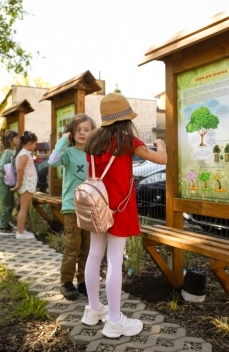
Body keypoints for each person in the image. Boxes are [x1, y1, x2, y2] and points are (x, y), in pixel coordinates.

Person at [81, 93, 167, 338]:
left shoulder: (93, 141)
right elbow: (162, 159)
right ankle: (115, 321)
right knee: (115, 260)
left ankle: (94, 310)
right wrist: (160, 143)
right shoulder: (127, 140)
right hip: (119, 207)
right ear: (125, 118)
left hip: (97, 204)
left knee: (94, 254)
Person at [48, 114, 96, 300]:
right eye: (78, 130)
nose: (82, 133)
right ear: (71, 133)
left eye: (87, 130)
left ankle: (83, 281)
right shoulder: (67, 153)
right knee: (73, 246)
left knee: (87, 247)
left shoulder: (95, 154)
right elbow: (52, 162)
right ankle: (66, 282)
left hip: (91, 208)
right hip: (72, 207)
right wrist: (62, 141)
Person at [11, 131, 38, 240]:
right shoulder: (24, 154)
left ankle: (21, 229)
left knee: (23, 207)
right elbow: (20, 169)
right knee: (24, 208)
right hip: (26, 183)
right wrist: (20, 183)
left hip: (27, 183)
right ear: (30, 143)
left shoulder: (24, 153)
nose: (35, 146)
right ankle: (20, 232)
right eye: (35, 143)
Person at [0, 130, 21, 236]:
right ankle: (3, 226)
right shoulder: (7, 152)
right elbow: (1, 167)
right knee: (6, 202)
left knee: (11, 203)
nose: (18, 140)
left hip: (8, 181)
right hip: (4, 180)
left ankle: (6, 223)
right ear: (11, 140)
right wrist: (9, 175)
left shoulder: (12, 151)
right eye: (16, 138)